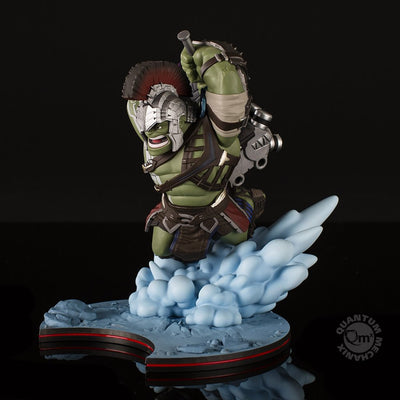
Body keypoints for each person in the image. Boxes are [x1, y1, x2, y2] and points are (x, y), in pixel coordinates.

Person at [122, 40, 266, 262]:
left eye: (161, 123)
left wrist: (211, 60)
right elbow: (133, 102)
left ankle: (245, 201)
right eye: (149, 125)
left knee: (240, 240)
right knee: (160, 250)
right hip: (172, 211)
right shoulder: (148, 137)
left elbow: (229, 102)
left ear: (181, 119)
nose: (152, 132)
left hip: (215, 208)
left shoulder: (215, 134)